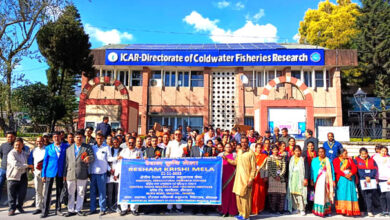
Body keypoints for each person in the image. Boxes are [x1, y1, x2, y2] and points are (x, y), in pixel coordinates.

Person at [222, 136, 256, 220]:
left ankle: (246, 216)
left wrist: (251, 179)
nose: (244, 144)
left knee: (245, 198)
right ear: (240, 143)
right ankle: (241, 213)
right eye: (242, 142)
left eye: (245, 142)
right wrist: (227, 159)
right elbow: (235, 162)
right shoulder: (239, 151)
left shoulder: (251, 153)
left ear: (248, 142)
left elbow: (254, 168)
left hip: (246, 179)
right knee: (238, 197)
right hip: (238, 179)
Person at [63, 131, 94, 217]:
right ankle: (70, 209)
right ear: (74, 138)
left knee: (81, 192)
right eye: (77, 137)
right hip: (70, 173)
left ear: (83, 138)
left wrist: (89, 158)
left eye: (80, 137)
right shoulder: (69, 149)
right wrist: (64, 175)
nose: (79, 139)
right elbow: (66, 162)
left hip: (82, 173)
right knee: (70, 192)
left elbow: (92, 157)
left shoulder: (87, 147)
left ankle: (78, 209)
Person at [41, 131, 68, 218]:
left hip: (60, 172)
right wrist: (43, 174)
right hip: (50, 171)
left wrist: (65, 173)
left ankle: (58, 209)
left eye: (58, 136)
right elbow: (45, 161)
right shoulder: (49, 147)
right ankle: (45, 210)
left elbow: (66, 161)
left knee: (59, 191)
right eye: (54, 137)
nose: (56, 138)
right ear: (52, 138)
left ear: (61, 137)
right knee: (47, 192)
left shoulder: (66, 146)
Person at [115, 137, 142, 216]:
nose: (131, 144)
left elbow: (142, 163)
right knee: (124, 191)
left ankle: (134, 209)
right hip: (124, 175)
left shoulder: (139, 152)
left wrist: (139, 160)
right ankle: (124, 208)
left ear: (135, 143)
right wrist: (116, 173)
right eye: (129, 142)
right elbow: (119, 163)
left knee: (135, 191)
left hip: (134, 175)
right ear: (127, 143)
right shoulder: (123, 151)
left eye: (132, 142)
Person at [89, 133, 113, 216]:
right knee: (92, 192)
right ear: (95, 138)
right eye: (98, 138)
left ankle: (102, 209)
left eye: (101, 138)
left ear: (103, 139)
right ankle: (92, 208)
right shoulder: (92, 147)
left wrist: (117, 158)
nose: (99, 140)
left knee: (102, 192)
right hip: (93, 172)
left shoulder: (106, 147)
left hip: (102, 172)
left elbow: (109, 159)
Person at [333, 148, 360, 216]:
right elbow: (336, 170)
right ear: (340, 154)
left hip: (350, 179)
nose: (347, 154)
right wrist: (345, 175)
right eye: (345, 153)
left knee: (350, 194)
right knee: (342, 194)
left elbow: (354, 168)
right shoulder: (336, 160)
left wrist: (350, 174)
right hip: (341, 179)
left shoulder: (350, 160)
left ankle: (350, 209)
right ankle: (342, 210)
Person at [165, 130, 186, 213]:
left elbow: (186, 155)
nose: (177, 135)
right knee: (170, 188)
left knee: (179, 188)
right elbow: (167, 155)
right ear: (174, 135)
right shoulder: (170, 143)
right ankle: (169, 207)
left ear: (181, 135)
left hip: (181, 169)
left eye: (179, 134)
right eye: (176, 134)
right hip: (171, 168)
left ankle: (178, 207)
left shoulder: (185, 143)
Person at [6, 138, 29, 216]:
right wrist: (27, 166)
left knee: (22, 193)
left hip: (23, 176)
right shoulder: (11, 154)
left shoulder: (24, 153)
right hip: (13, 176)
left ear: (22, 145)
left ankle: (20, 206)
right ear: (13, 145)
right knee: (12, 194)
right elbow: (16, 165)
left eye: (19, 145)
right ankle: (12, 209)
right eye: (16, 145)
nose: (17, 146)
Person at [311, 147, 335, 217]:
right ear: (318, 153)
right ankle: (318, 210)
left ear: (325, 153)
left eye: (322, 152)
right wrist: (312, 179)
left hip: (326, 181)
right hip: (317, 181)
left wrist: (333, 180)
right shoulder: (314, 160)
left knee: (326, 196)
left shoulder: (328, 160)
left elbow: (332, 171)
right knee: (318, 196)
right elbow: (312, 171)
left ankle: (327, 211)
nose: (321, 153)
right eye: (320, 152)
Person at [354, 147, 378, 217]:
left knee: (369, 195)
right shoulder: (356, 160)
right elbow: (357, 170)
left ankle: (369, 210)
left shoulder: (371, 160)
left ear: (367, 153)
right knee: (361, 195)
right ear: (360, 154)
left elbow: (375, 169)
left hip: (370, 180)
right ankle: (362, 210)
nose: (364, 155)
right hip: (361, 180)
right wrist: (365, 176)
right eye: (362, 154)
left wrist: (370, 176)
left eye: (365, 154)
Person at [217, 143, 238, 217]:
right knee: (224, 194)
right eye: (227, 147)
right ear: (224, 148)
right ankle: (223, 210)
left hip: (232, 177)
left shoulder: (235, 155)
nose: (228, 148)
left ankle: (232, 211)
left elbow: (236, 164)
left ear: (232, 148)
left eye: (230, 147)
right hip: (223, 177)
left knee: (232, 194)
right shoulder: (220, 155)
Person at [27, 137, 46, 215]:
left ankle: (45, 207)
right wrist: (32, 168)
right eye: (38, 141)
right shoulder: (34, 150)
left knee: (45, 191)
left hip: (45, 174)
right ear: (36, 142)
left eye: (41, 141)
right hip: (36, 173)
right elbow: (30, 160)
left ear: (43, 141)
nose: (39, 143)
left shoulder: (47, 149)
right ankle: (38, 207)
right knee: (38, 191)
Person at [286, 146, 307, 216]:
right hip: (293, 178)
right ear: (293, 152)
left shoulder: (302, 159)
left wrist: (305, 179)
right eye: (296, 151)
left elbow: (306, 170)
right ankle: (295, 208)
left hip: (300, 178)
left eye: (298, 151)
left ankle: (302, 209)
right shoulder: (291, 159)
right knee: (293, 194)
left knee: (300, 194)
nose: (297, 152)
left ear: (300, 151)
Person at [266, 145, 287, 214]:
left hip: (281, 178)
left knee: (281, 194)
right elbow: (269, 168)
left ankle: (280, 209)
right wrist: (275, 176)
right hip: (272, 178)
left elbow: (284, 167)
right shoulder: (269, 158)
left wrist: (280, 175)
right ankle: (273, 209)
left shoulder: (281, 158)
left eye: (277, 150)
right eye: (274, 150)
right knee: (273, 194)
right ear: (272, 150)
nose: (275, 151)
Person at [251, 143, 268, 215]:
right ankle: (253, 208)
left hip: (261, 176)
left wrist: (266, 176)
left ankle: (259, 208)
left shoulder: (265, 156)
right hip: (253, 176)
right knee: (253, 193)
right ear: (255, 148)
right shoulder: (252, 155)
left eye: (260, 148)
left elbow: (266, 167)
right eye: (258, 147)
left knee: (260, 192)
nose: (259, 149)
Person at [106, 137, 122, 213]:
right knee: (109, 191)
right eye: (114, 142)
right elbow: (106, 161)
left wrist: (117, 173)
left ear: (119, 142)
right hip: (110, 173)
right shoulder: (109, 150)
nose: (115, 143)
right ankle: (109, 206)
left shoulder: (122, 150)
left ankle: (117, 206)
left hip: (118, 174)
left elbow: (121, 162)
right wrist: (110, 170)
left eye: (117, 142)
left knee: (117, 191)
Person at [0, 130, 16, 202]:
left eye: (11, 137)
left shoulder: (17, 145)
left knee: (12, 187)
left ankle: (13, 202)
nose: (10, 138)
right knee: (0, 185)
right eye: (8, 137)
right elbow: (1, 155)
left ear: (14, 137)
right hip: (3, 169)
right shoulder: (3, 145)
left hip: (13, 170)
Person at [373, 146, 390, 216]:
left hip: (387, 179)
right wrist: (375, 178)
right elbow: (373, 168)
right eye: (383, 151)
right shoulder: (375, 158)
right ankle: (383, 210)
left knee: (388, 195)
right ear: (380, 151)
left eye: (385, 151)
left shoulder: (389, 158)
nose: (384, 152)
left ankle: (388, 210)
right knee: (381, 196)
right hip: (379, 179)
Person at [303, 141, 316, 213]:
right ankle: (305, 206)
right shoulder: (304, 153)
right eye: (309, 146)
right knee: (305, 191)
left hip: (314, 174)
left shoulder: (316, 153)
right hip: (306, 173)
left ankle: (311, 206)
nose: (311, 147)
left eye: (312, 146)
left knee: (312, 191)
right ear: (307, 146)